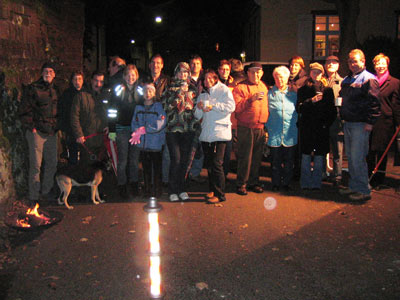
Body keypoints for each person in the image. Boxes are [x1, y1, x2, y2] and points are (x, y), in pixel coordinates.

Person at [339, 49, 380, 201]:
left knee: (358, 157)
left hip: (360, 124)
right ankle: (354, 186)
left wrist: (370, 122)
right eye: (350, 61)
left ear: (363, 61)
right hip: (348, 123)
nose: (353, 64)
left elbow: (375, 104)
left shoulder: (369, 79)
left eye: (356, 61)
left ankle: (363, 190)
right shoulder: (347, 79)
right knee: (350, 157)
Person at [19, 62, 60, 203]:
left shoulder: (56, 90)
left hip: (51, 132)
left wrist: (57, 127)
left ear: (54, 74)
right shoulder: (33, 89)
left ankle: (46, 191)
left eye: (50, 71)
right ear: (41, 73)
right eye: (45, 71)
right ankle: (34, 196)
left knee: (52, 163)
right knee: (36, 165)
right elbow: (25, 109)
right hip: (37, 132)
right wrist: (32, 127)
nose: (48, 73)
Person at [194, 69, 235, 203]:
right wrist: (199, 108)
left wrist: (213, 106)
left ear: (215, 78)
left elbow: (231, 107)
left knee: (217, 164)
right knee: (210, 165)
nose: (208, 81)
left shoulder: (224, 90)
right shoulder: (203, 95)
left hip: (219, 133)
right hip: (207, 133)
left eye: (210, 78)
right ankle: (212, 190)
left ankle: (220, 194)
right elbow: (197, 116)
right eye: (205, 79)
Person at [161, 62, 200, 201]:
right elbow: (165, 106)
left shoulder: (193, 89)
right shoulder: (169, 88)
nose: (183, 75)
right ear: (176, 73)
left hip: (188, 129)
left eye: (186, 72)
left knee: (185, 160)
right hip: (173, 129)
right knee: (175, 160)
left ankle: (182, 188)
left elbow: (197, 109)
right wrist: (179, 93)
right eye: (180, 72)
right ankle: (172, 190)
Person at [297, 63, 336, 190]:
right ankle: (305, 182)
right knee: (306, 154)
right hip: (307, 127)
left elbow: (332, 111)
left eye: (318, 72)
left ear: (322, 74)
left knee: (319, 155)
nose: (316, 75)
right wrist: (311, 101)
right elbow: (299, 108)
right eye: (314, 72)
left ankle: (316, 182)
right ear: (310, 73)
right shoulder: (303, 90)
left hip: (321, 128)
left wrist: (326, 124)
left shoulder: (328, 90)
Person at [233, 62, 269, 195]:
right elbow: (236, 107)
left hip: (259, 127)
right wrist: (250, 99)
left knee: (256, 158)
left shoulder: (263, 87)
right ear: (248, 73)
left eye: (258, 72)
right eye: (253, 72)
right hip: (245, 128)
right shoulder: (241, 87)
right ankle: (241, 184)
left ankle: (254, 182)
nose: (256, 74)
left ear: (262, 73)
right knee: (245, 158)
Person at [107, 64, 141, 198]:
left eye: (133, 75)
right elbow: (111, 110)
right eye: (128, 75)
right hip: (121, 129)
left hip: (136, 130)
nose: (130, 78)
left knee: (134, 160)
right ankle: (122, 185)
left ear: (136, 76)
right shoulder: (118, 90)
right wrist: (112, 129)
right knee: (122, 161)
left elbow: (144, 108)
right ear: (124, 76)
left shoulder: (140, 90)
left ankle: (134, 184)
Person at [367, 53, 400, 190]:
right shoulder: (369, 80)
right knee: (369, 151)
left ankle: (379, 180)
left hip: (385, 122)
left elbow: (396, 104)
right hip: (370, 119)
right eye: (377, 63)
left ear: (387, 64)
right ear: (374, 65)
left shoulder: (394, 82)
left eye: (382, 63)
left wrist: (398, 123)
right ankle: (369, 177)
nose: (380, 66)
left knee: (382, 151)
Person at [131, 83, 166, 197]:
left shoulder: (159, 107)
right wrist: (137, 130)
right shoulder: (138, 108)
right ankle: (147, 190)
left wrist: (146, 129)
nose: (148, 94)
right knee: (146, 168)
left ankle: (157, 190)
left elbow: (161, 123)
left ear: (154, 93)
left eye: (150, 91)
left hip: (155, 143)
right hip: (143, 145)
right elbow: (134, 122)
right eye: (145, 91)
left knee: (157, 168)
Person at [265, 66, 298, 191]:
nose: (280, 79)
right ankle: (275, 183)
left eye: (282, 77)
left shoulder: (294, 94)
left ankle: (287, 183)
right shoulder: (269, 94)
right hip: (274, 132)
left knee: (289, 162)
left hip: (290, 133)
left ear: (287, 78)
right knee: (275, 162)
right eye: (277, 77)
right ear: (274, 78)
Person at [70, 71, 108, 165]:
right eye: (96, 81)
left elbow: (112, 115)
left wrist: (110, 127)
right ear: (91, 81)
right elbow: (74, 116)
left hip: (102, 139)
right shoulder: (81, 96)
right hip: (87, 139)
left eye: (101, 81)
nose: (98, 84)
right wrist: (78, 134)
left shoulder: (106, 97)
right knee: (86, 167)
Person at [147, 54, 170, 186]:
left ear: (162, 65)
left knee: (165, 153)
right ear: (150, 65)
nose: (156, 65)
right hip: (149, 120)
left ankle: (165, 180)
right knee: (150, 153)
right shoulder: (144, 80)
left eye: (158, 63)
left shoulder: (167, 80)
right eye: (153, 63)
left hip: (163, 120)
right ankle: (151, 180)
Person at [324, 56, 344, 185]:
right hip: (322, 121)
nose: (331, 64)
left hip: (336, 121)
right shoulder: (321, 80)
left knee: (337, 151)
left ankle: (337, 176)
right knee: (322, 149)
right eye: (328, 62)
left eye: (334, 62)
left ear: (338, 65)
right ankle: (322, 173)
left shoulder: (342, 82)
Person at [58, 70, 85, 165]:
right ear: (71, 81)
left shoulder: (86, 94)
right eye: (75, 79)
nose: (77, 82)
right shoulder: (67, 94)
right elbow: (63, 112)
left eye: (79, 79)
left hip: (84, 131)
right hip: (71, 131)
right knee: (73, 156)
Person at [188, 55, 205, 183]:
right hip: (188, 117)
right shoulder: (185, 78)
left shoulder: (204, 79)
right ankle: (186, 172)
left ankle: (195, 172)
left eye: (197, 63)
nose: (195, 66)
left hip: (202, 117)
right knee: (189, 146)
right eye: (193, 63)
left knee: (200, 147)